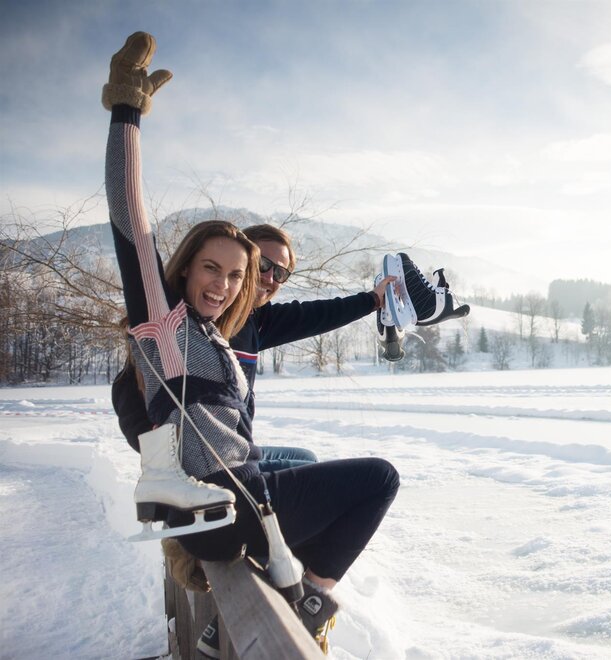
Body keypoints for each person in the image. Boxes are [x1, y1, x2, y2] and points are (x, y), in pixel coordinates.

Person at [103, 31, 399, 650]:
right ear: (185, 268)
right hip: (226, 506)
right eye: (211, 268)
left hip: (236, 496)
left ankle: (244, 618)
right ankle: (311, 598)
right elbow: (129, 217)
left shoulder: (219, 333)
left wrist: (372, 302)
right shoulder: (167, 325)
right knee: (379, 478)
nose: (224, 284)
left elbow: (307, 317)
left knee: (318, 473)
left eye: (237, 275)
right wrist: (127, 110)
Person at [112, 221, 395, 471]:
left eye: (280, 274)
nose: (269, 278)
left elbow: (317, 315)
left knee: (307, 458)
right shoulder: (185, 321)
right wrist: (162, 453)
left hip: (236, 449)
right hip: (208, 461)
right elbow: (129, 382)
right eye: (262, 265)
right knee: (368, 477)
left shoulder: (254, 321)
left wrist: (373, 300)